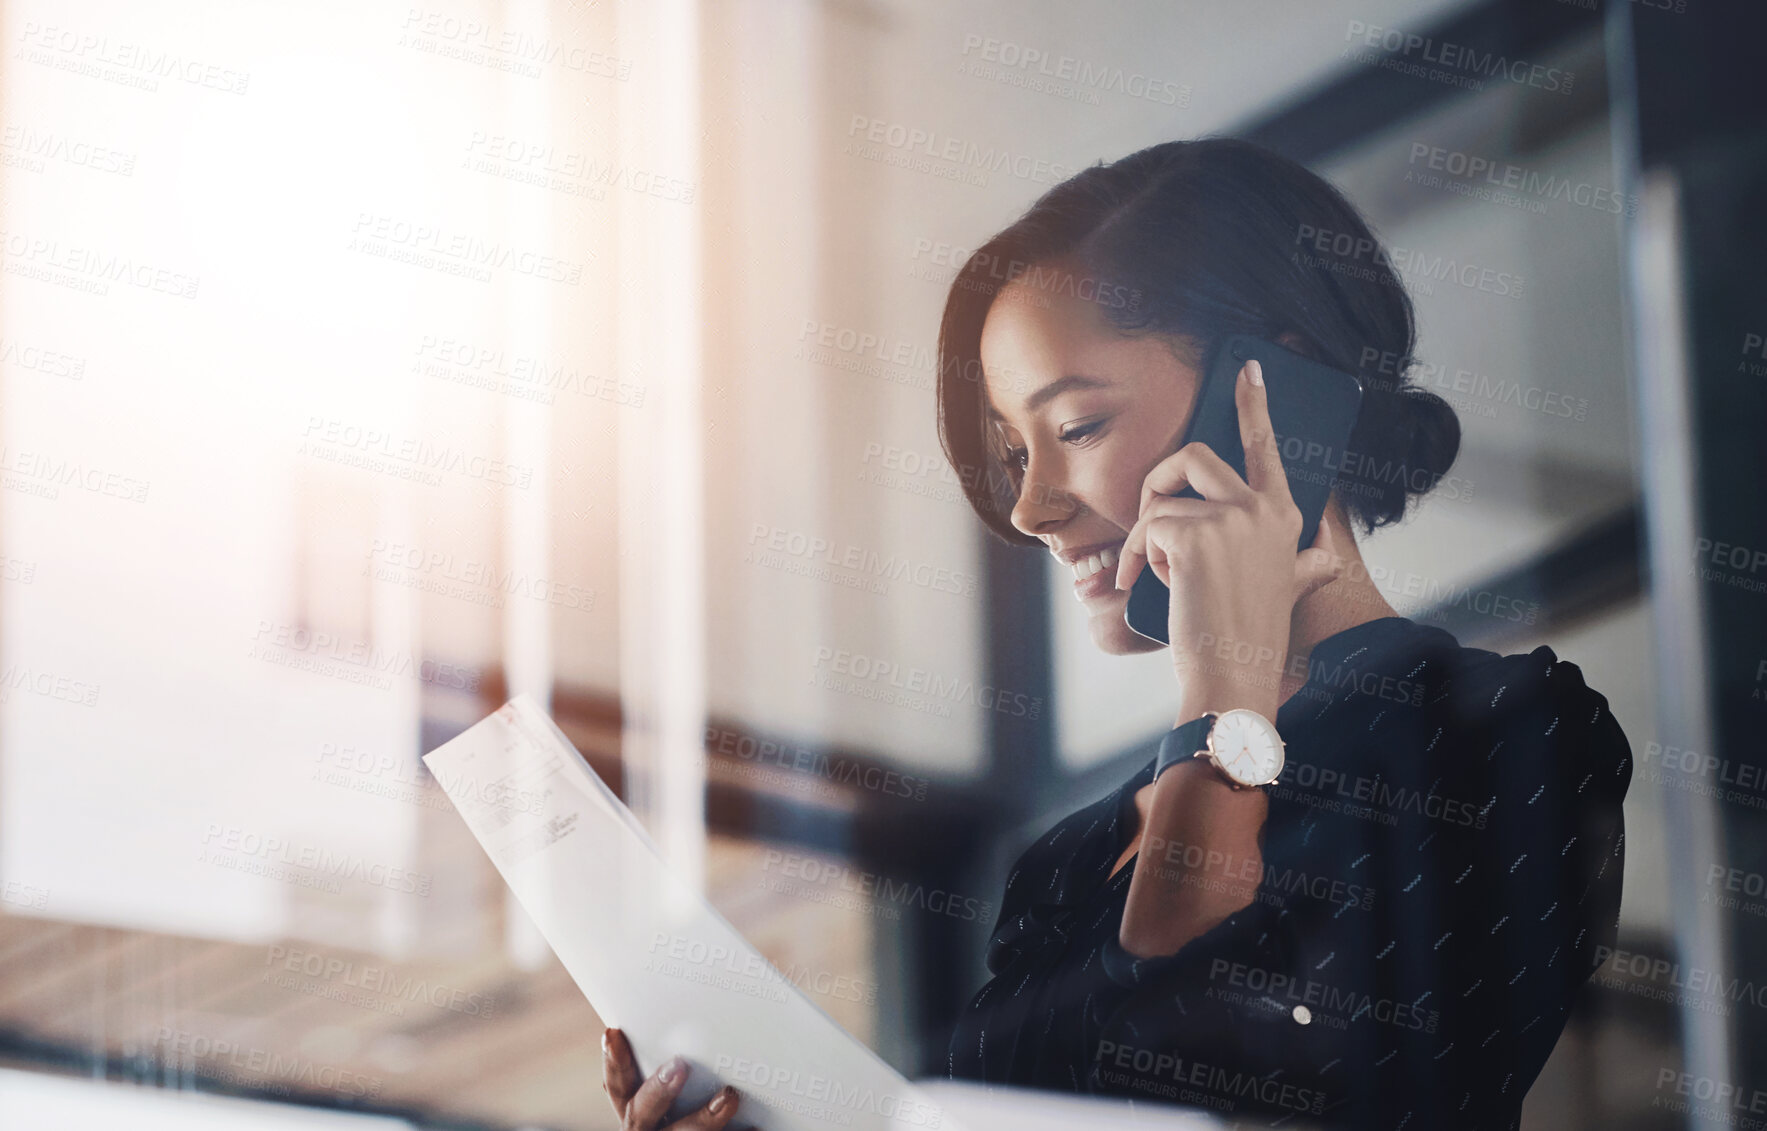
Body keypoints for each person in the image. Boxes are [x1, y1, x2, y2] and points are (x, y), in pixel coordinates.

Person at [935, 137, 1632, 1128]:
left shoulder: (1508, 733)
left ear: (1268, 385)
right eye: (1013, 455)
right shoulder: (1067, 863)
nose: (1030, 508)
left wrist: (1227, 704)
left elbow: (1201, 1074)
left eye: (1077, 427)